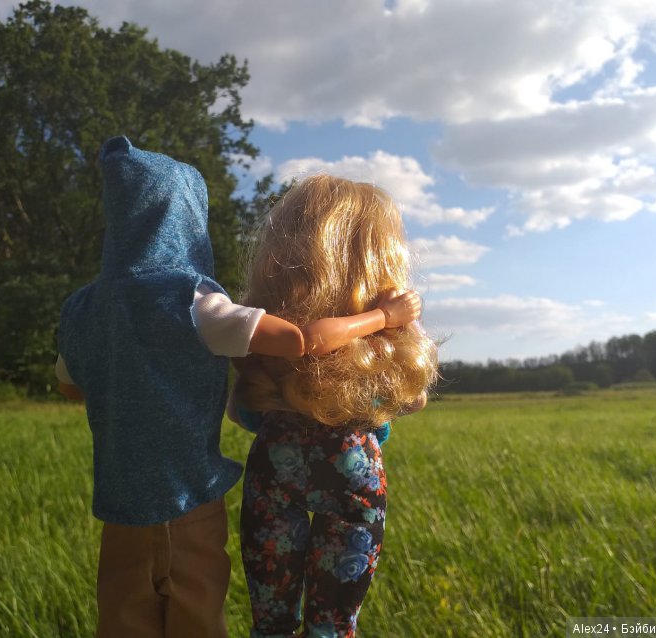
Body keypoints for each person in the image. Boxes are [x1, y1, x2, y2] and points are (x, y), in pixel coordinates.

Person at [54, 136, 422, 638]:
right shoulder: (194, 299)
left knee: (129, 618)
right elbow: (312, 345)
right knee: (225, 615)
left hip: (126, 505)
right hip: (195, 498)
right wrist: (385, 316)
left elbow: (73, 386)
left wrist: (132, 389)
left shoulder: (83, 308)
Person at [231, 174, 438, 638]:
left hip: (274, 468)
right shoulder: (340, 337)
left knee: (274, 618)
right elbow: (412, 394)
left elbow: (240, 410)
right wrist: (389, 319)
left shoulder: (264, 331)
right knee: (332, 623)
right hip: (353, 473)